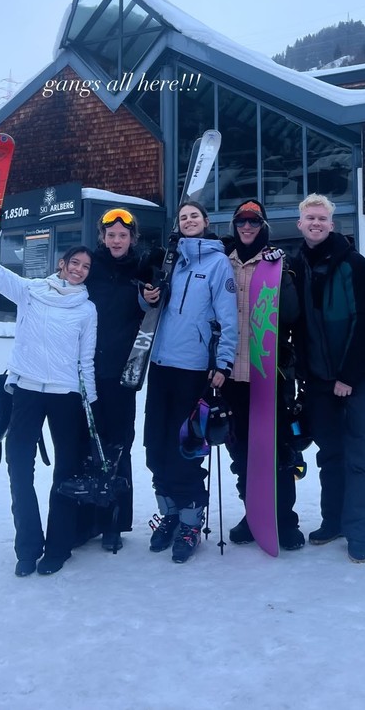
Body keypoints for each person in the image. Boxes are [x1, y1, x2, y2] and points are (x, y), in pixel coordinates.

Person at [0, 240, 97, 577]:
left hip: (65, 396)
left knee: (65, 472)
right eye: (74, 263)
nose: (79, 270)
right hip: (27, 391)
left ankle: (58, 547)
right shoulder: (31, 291)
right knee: (19, 466)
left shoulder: (87, 309)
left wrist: (89, 403)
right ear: (62, 263)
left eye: (85, 267)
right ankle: (28, 548)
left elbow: (86, 360)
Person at [144, 200, 238, 563]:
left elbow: (228, 317)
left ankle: (189, 521)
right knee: (155, 445)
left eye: (193, 216)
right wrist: (146, 294)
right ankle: (168, 512)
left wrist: (223, 362)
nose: (188, 221)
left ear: (205, 222)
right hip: (160, 363)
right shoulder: (171, 260)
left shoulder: (218, 263)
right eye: (183, 217)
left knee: (185, 448)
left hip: (193, 367)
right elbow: (152, 305)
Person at [292, 193, 365, 563]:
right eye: (309, 218)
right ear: (300, 224)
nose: (315, 223)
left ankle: (358, 530)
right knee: (330, 454)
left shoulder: (353, 264)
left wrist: (348, 374)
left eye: (322, 218)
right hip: (316, 379)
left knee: (361, 454)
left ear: (332, 224)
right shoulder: (295, 266)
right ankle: (333, 521)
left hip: (354, 377)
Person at [221, 199, 304, 551]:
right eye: (241, 222)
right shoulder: (222, 264)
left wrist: (281, 277)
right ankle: (252, 512)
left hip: (267, 374)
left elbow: (291, 314)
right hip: (231, 375)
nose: (247, 228)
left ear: (263, 226)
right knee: (241, 453)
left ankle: (284, 518)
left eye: (254, 222)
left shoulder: (278, 264)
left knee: (276, 449)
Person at [82, 207, 158, 553]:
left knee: (118, 448)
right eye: (110, 235)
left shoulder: (142, 269)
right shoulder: (88, 266)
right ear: (103, 237)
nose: (116, 240)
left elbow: (154, 302)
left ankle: (114, 523)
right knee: (86, 446)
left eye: (122, 235)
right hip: (86, 371)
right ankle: (85, 521)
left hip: (123, 373)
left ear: (132, 238)